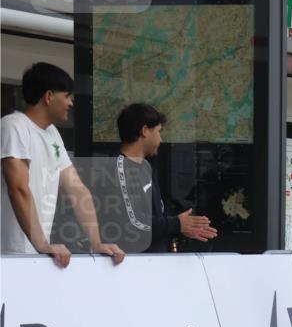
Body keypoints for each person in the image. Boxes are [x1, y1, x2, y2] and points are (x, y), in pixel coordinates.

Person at [1, 63, 124, 268]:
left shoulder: (52, 133)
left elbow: (77, 190)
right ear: (49, 97)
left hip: (36, 253)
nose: (71, 102)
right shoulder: (14, 125)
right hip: (8, 253)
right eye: (67, 96)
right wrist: (42, 244)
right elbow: (18, 188)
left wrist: (96, 243)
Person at [93, 103, 217, 253]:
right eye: (158, 132)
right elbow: (132, 223)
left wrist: (181, 227)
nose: (161, 139)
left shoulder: (146, 167)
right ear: (145, 131)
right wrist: (176, 224)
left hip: (155, 260)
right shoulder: (117, 170)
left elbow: (155, 219)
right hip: (131, 262)